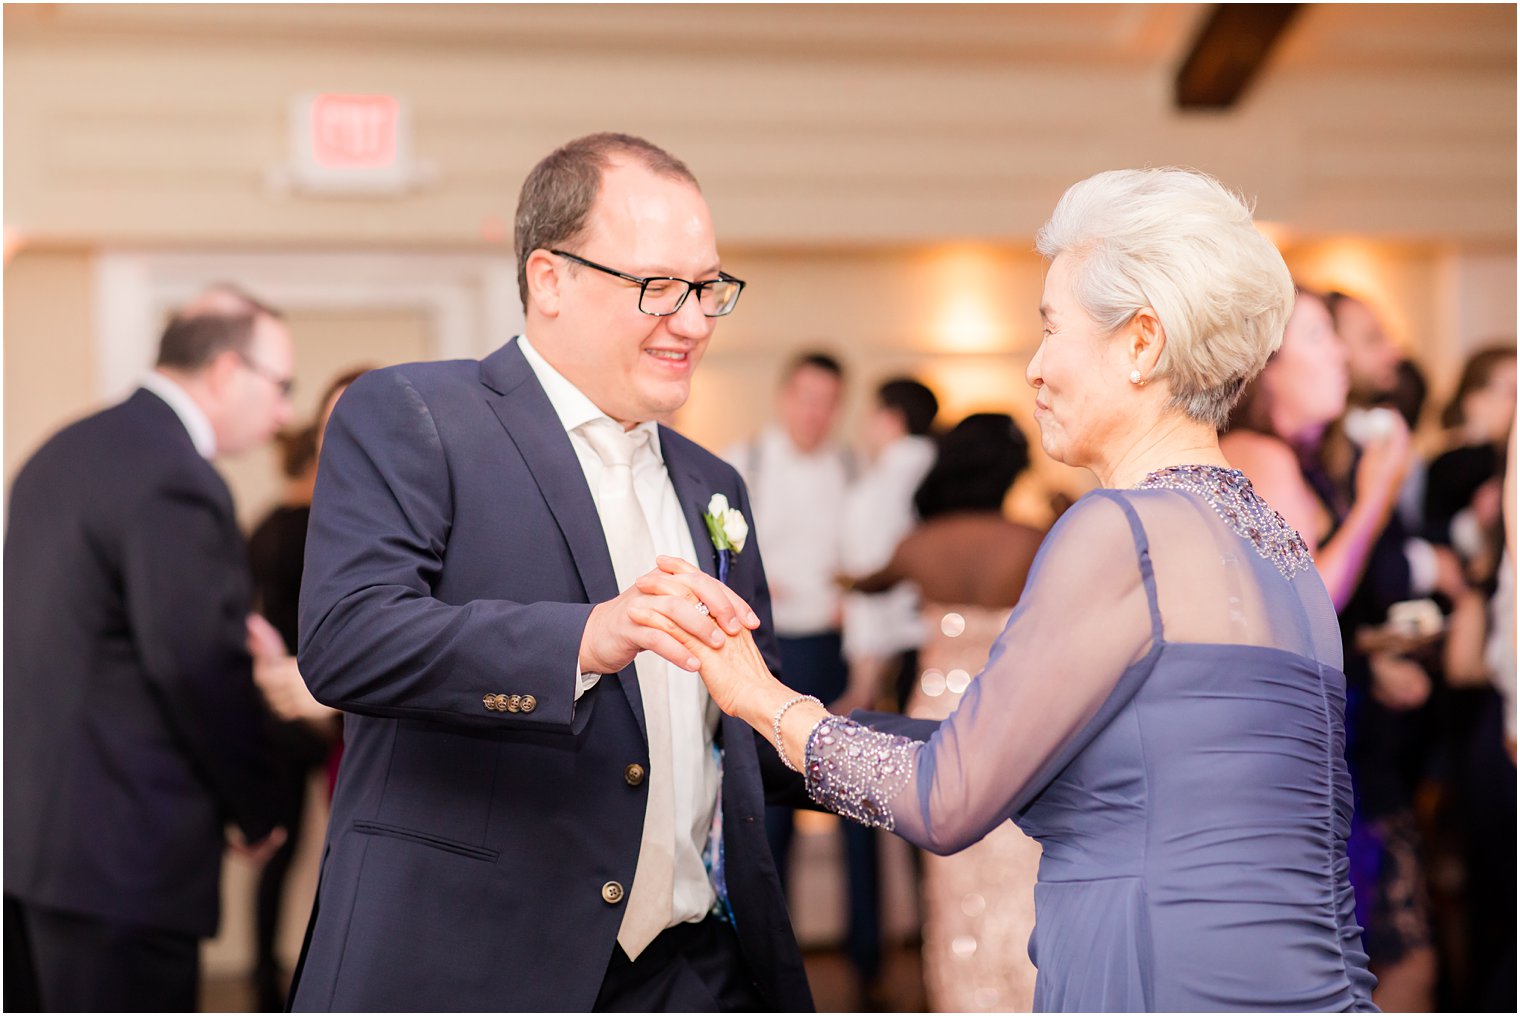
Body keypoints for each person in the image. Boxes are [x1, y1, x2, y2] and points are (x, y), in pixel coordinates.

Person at [652, 167, 1378, 1011]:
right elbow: (1074, 761)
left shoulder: (1122, 532)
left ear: (1142, 343)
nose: (1032, 368)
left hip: (1158, 979)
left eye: (1049, 328)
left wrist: (760, 700)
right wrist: (809, 736)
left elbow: (948, 800)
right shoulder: (1278, 545)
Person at [288, 133, 812, 1011]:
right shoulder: (416, 414)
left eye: (708, 288)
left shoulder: (713, 482)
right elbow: (347, 641)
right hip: (472, 966)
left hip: (688, 974)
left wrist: (947, 754)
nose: (692, 321)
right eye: (659, 288)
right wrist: (587, 636)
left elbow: (745, 726)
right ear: (549, 278)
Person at [3, 287, 291, 1011]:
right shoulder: (177, 478)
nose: (285, 414)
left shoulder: (64, 449)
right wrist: (256, 806)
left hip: (32, 843)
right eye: (280, 386)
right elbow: (195, 667)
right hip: (123, 858)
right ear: (227, 372)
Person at [1222, 289, 1438, 1011]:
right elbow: (1307, 600)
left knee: (1377, 958)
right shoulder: (1261, 455)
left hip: (1340, 733)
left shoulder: (1298, 460)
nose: (1340, 354)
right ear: (1268, 371)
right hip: (1300, 751)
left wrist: (1371, 655)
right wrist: (1378, 494)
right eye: (1317, 338)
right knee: (1379, 964)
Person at [847, 412, 1045, 1012]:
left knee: (948, 877)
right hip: (1011, 716)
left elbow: (867, 583)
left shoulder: (919, 546)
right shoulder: (1037, 540)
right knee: (1020, 874)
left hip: (937, 716)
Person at [725, 352, 878, 994]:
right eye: (807, 398)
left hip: (838, 644)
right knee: (773, 810)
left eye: (828, 402)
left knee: (860, 803)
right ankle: (771, 968)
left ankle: (869, 963)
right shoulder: (743, 462)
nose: (816, 414)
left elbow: (872, 563)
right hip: (770, 646)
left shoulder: (853, 469)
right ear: (786, 396)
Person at [244, 368, 367, 1011]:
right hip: (307, 707)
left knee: (296, 854)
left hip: (309, 703)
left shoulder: (269, 524)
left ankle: (270, 981)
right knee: (329, 856)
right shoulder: (314, 527)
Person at [838, 377, 940, 715]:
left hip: (898, 643)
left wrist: (863, 675)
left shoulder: (888, 483)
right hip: (932, 634)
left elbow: (876, 572)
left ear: (891, 418)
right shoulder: (935, 467)